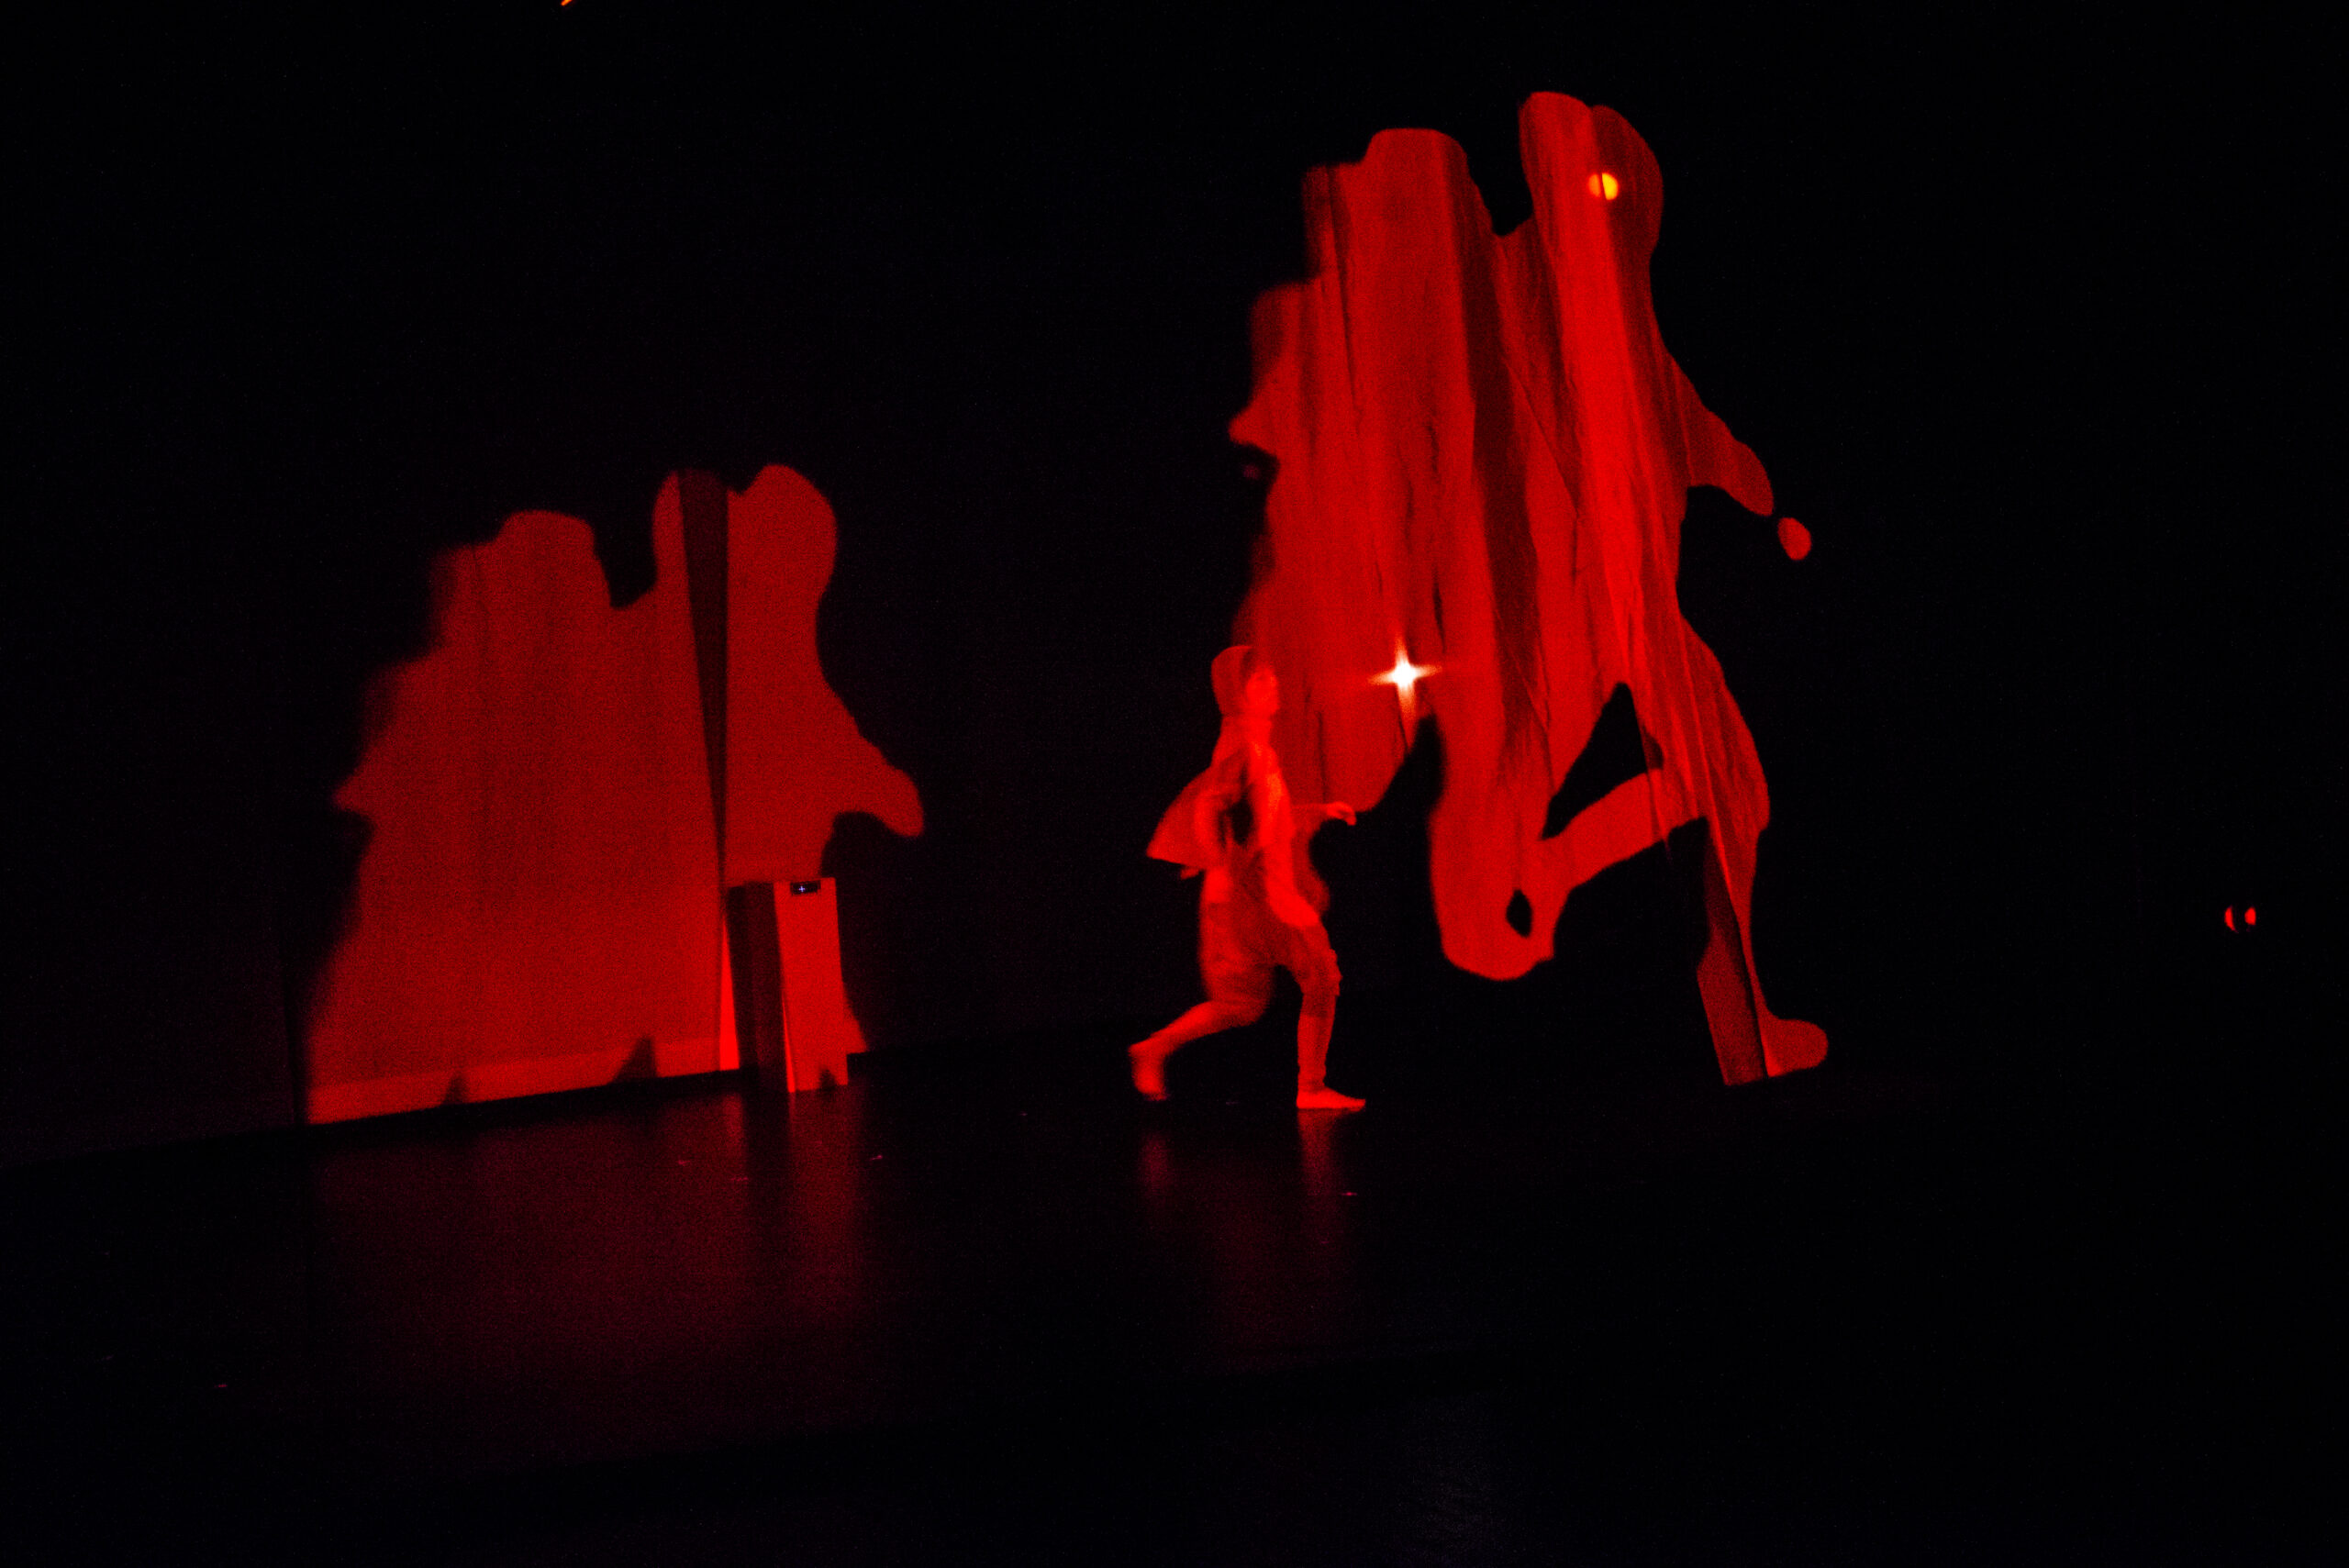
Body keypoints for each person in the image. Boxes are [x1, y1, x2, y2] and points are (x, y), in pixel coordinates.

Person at [1129, 646, 1364, 1110]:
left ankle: (1154, 1048)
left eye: (1271, 675)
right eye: (1259, 679)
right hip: (1256, 896)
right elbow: (1207, 807)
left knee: (1241, 1006)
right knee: (1319, 977)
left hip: (1251, 894)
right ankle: (1311, 1088)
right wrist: (1220, 863)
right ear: (1237, 693)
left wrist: (1318, 810)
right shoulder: (1241, 748)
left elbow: (1263, 819)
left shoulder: (1256, 748)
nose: (1273, 683)